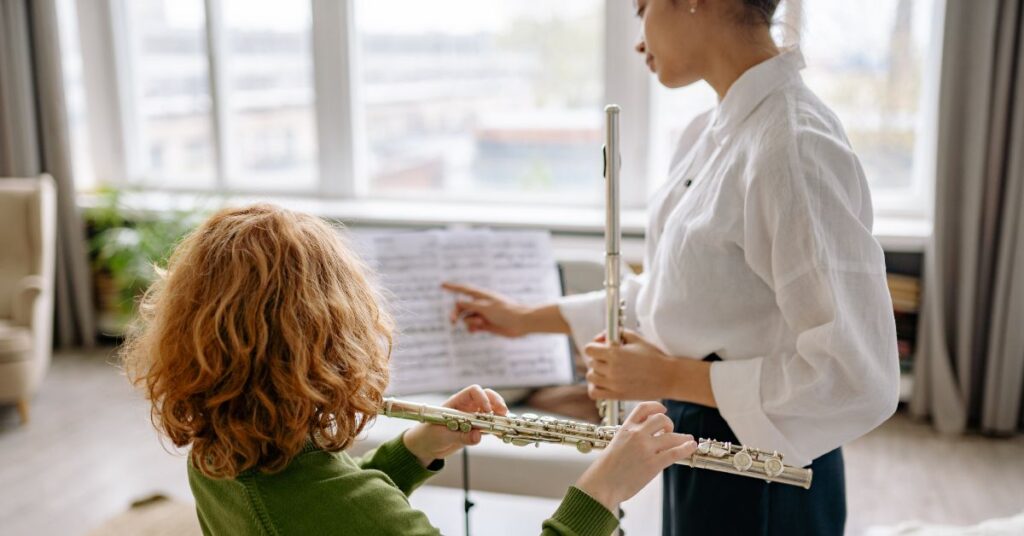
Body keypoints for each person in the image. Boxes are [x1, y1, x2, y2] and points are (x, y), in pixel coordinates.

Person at [443, 0, 900, 533]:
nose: (639, 40)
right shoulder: (714, 130)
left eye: (641, 9)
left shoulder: (792, 147)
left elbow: (854, 374)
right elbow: (675, 296)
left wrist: (669, 375)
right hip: (698, 431)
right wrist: (525, 319)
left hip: (767, 458)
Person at [121, 204, 698, 536]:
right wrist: (602, 490)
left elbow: (331, 517)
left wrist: (416, 446)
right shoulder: (346, 507)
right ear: (331, 345)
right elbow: (350, 515)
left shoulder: (219, 454)